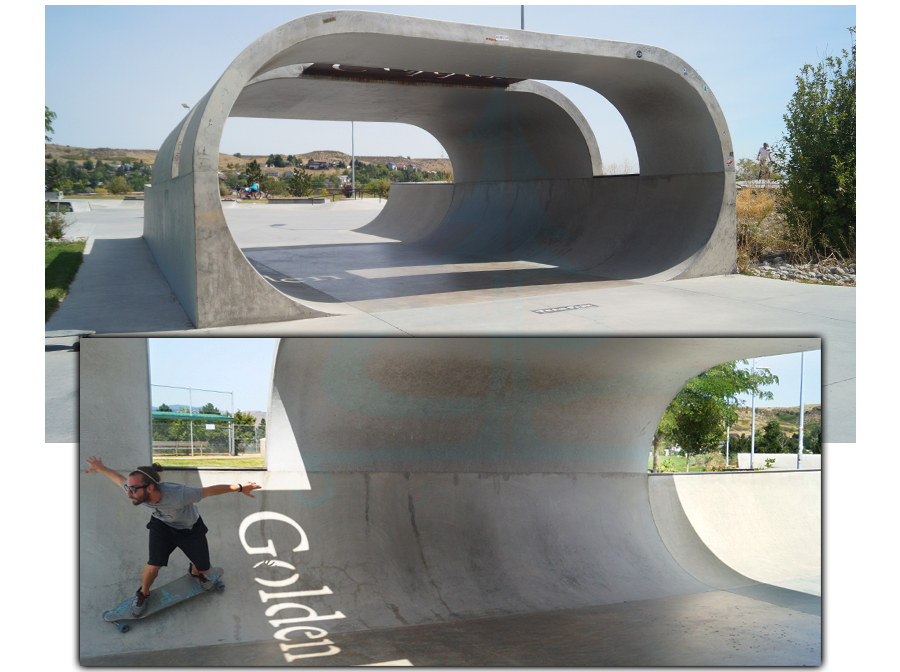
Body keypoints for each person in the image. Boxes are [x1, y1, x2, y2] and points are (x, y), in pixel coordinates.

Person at [82, 456, 261, 616]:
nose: (129, 494)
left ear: (150, 488)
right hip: (162, 527)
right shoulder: (135, 491)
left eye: (133, 490)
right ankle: (143, 593)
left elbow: (210, 491)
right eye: (128, 488)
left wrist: (239, 487)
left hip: (190, 529)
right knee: (154, 564)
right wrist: (101, 468)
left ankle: (195, 572)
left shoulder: (180, 494)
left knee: (204, 568)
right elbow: (118, 479)